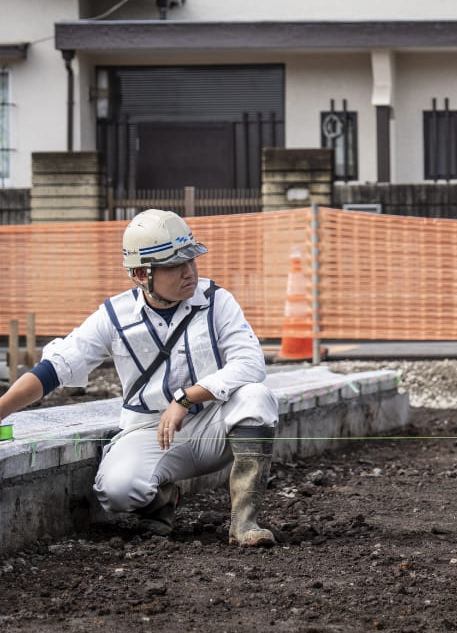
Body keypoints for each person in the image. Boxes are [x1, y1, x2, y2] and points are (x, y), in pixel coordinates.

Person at [0, 209, 279, 545]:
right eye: (175, 265)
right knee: (117, 491)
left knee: (256, 396)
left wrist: (186, 397)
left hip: (213, 426)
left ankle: (244, 524)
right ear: (139, 272)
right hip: (150, 430)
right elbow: (55, 368)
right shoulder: (114, 316)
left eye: (192, 260)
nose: (190, 271)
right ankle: (162, 501)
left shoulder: (217, 301)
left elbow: (250, 363)